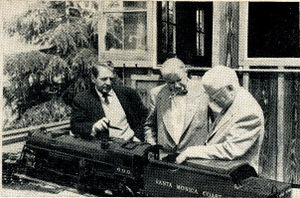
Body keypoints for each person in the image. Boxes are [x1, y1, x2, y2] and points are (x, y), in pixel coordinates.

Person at [176, 65, 265, 172]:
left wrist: (192, 151)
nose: (212, 101)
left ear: (230, 88)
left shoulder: (248, 111)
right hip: (222, 171)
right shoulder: (233, 100)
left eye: (215, 96)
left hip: (236, 177)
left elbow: (231, 149)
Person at [144, 58, 209, 160]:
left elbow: (216, 124)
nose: (176, 86)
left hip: (195, 159)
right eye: (171, 82)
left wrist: (208, 150)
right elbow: (149, 125)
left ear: (186, 73)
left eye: (179, 80)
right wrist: (152, 148)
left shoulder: (204, 92)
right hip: (165, 158)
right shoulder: (156, 94)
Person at [71, 62, 148, 141]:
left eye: (111, 79)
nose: (108, 83)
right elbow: (75, 125)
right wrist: (93, 126)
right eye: (104, 79)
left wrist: (137, 137)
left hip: (131, 145)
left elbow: (144, 116)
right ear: (93, 79)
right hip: (104, 148)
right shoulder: (82, 99)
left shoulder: (128, 93)